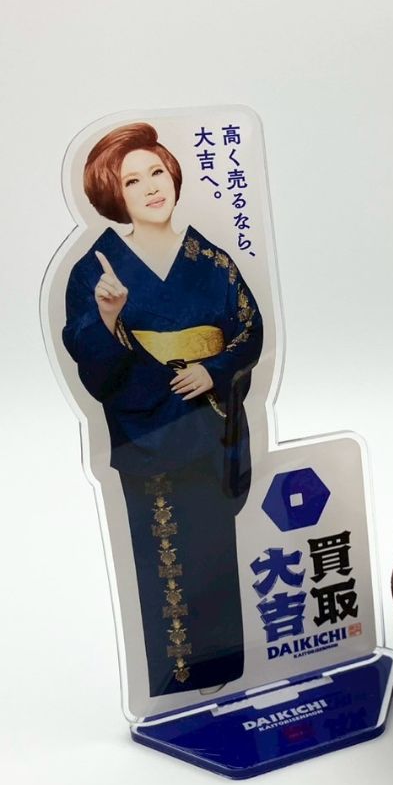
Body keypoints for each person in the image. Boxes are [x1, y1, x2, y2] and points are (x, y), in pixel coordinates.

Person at [63, 122, 263, 697]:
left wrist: (214, 370)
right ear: (113, 193)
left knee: (214, 552)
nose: (152, 187)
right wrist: (108, 317)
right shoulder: (96, 269)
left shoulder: (212, 261)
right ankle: (177, 683)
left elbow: (249, 330)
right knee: (165, 558)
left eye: (157, 172)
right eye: (132, 181)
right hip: (148, 432)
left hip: (212, 425)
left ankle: (223, 675)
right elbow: (92, 363)